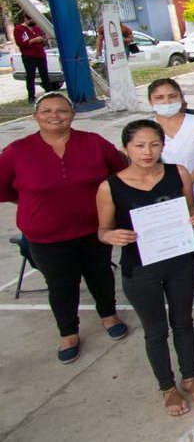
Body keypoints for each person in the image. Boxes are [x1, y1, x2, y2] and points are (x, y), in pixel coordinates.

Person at [0, 93, 129, 362]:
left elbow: (120, 172)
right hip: (47, 237)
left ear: (72, 114)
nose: (54, 116)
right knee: (60, 285)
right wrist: (30, 202)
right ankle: (68, 332)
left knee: (100, 275)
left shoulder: (94, 143)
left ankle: (109, 315)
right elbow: (3, 189)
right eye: (46, 111)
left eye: (61, 110)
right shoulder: (17, 151)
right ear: (35, 116)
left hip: (95, 229)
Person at [97, 120, 194, 415]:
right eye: (139, 145)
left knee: (183, 322)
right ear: (126, 148)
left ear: (163, 146)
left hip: (179, 261)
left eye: (154, 144)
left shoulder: (178, 173)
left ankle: (189, 377)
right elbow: (103, 230)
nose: (147, 152)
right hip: (140, 268)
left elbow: (191, 210)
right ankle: (167, 387)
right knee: (155, 330)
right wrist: (112, 236)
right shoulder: (110, 187)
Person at [149, 78, 194, 306]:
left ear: (181, 97)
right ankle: (186, 282)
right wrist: (172, 186)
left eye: (172, 96)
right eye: (160, 98)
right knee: (178, 241)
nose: (167, 101)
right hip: (164, 195)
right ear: (150, 101)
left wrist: (186, 182)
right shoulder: (147, 129)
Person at [14, 12, 53, 103]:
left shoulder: (37, 28)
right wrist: (33, 40)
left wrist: (43, 40)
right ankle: (31, 97)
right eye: (31, 20)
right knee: (30, 76)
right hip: (29, 56)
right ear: (26, 19)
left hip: (40, 54)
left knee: (45, 74)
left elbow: (43, 41)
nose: (33, 22)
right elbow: (20, 43)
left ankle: (49, 93)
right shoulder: (19, 29)